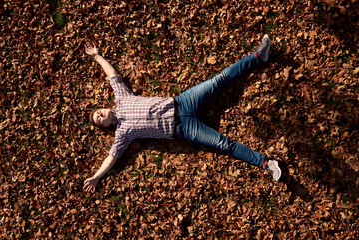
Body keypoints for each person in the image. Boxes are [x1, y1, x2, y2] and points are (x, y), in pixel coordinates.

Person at [83, 35, 281, 193]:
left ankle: (257, 57)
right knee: (223, 144)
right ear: (106, 125)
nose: (100, 113)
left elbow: (112, 76)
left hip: (183, 102)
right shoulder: (122, 134)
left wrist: (97, 56)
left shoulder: (121, 98)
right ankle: (265, 163)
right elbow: (111, 158)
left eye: (98, 111)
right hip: (183, 129)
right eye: (99, 118)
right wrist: (97, 177)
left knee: (218, 80)